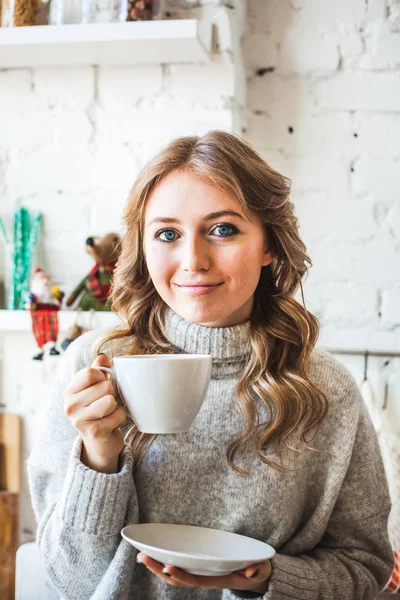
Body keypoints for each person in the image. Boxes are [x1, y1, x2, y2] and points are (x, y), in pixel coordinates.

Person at [28, 131, 394, 600]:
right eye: (167, 234)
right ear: (144, 246)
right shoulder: (95, 366)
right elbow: (72, 580)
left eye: (223, 229)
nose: (193, 261)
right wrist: (99, 455)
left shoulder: (324, 389)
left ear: (268, 245)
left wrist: (265, 580)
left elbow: (365, 569)